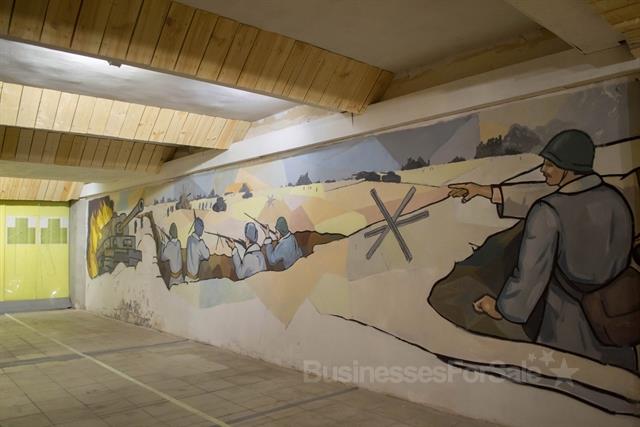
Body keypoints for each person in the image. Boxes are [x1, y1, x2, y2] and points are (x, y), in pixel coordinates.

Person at [449, 129, 636, 370]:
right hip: (616, 321)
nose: (543, 170)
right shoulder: (615, 199)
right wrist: (483, 191)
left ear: (568, 168)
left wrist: (501, 309)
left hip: (568, 330)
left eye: (550, 164)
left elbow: (530, 275)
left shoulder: (547, 211)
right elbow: (543, 195)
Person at [186, 217, 210, 281]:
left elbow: (196, 254)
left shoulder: (189, 239)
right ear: (197, 228)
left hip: (187, 277)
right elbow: (207, 256)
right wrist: (203, 244)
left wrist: (200, 256)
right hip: (194, 279)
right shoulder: (200, 243)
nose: (202, 231)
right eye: (201, 228)